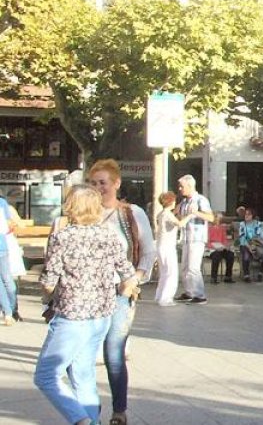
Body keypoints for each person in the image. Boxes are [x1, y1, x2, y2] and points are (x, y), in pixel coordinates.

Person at [34, 185, 139, 425]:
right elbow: (128, 274)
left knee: (46, 376)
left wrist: (48, 297)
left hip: (72, 315)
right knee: (83, 375)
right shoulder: (109, 234)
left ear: (71, 206)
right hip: (102, 315)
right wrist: (121, 293)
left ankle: (80, 419)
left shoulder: (63, 237)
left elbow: (49, 281)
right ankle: (91, 419)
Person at [87, 159, 156, 425]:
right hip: (88, 293)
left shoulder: (131, 213)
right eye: (93, 183)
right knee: (83, 352)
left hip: (119, 291)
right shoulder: (85, 213)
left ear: (116, 183)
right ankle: (89, 408)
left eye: (102, 182)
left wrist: (135, 279)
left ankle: (119, 410)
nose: (98, 187)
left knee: (113, 352)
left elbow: (149, 252)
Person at [175, 174, 214, 305]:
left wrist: (196, 213)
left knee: (193, 267)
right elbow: (177, 214)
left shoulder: (200, 200)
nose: (180, 189)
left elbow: (211, 217)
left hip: (197, 238)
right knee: (185, 267)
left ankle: (200, 295)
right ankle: (189, 292)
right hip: (186, 237)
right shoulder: (184, 201)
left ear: (190, 186)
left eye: (182, 186)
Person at [153, 192, 189, 306]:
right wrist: (190, 215)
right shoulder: (168, 215)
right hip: (168, 247)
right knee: (171, 273)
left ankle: (160, 296)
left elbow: (172, 215)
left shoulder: (161, 214)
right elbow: (180, 224)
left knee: (164, 272)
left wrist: (178, 209)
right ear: (171, 202)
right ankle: (166, 298)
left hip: (160, 246)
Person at [236, 207, 263, 282]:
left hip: (257, 244)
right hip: (245, 244)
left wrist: (254, 245)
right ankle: (246, 275)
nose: (246, 216)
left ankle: (261, 273)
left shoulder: (258, 224)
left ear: (253, 216)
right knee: (246, 255)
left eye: (249, 214)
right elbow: (242, 237)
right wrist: (249, 246)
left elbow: (260, 236)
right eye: (245, 214)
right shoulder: (242, 224)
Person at [0, 192, 19, 325]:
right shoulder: (2, 202)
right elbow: (8, 225)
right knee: (7, 278)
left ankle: (7, 311)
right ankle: (10, 311)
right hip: (2, 245)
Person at [206, 218, 236, 284]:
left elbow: (224, 240)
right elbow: (206, 242)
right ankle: (213, 278)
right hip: (212, 248)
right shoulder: (208, 228)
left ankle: (228, 277)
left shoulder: (222, 228)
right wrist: (214, 247)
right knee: (216, 255)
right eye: (217, 219)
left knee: (230, 255)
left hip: (221, 247)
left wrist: (226, 246)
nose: (218, 221)